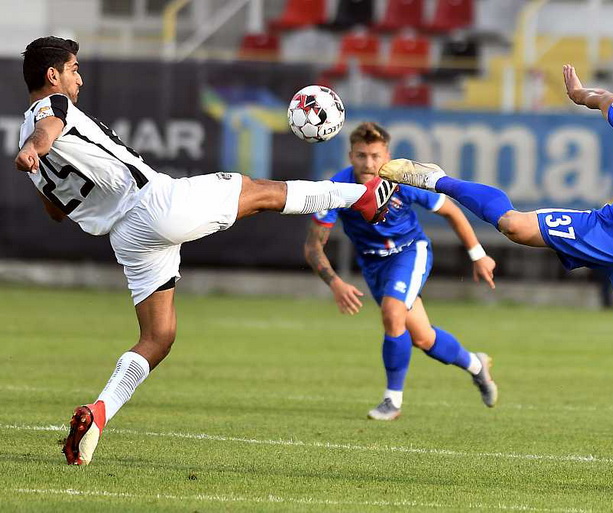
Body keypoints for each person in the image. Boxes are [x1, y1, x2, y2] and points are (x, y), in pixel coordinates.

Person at [15, 36, 398, 466]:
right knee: (258, 191)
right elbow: (46, 132)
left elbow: (55, 211)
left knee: (158, 338)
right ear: (53, 76)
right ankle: (362, 197)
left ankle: (97, 415)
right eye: (73, 69)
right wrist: (35, 148)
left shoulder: (23, 133)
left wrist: (33, 154)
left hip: (127, 237)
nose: (79, 78)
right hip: (154, 204)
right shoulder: (51, 111)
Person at [379, 55, 613, 481]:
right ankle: (436, 179)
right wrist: (580, 94)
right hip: (611, 228)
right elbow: (603, 99)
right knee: (513, 225)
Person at [304, 122, 499, 420]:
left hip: (410, 252)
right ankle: (476, 365)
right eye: (361, 155)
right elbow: (313, 247)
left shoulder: (401, 180)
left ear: (387, 155)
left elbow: (451, 211)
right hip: (373, 264)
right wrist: (336, 284)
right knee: (423, 338)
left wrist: (478, 255)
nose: (368, 163)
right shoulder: (338, 189)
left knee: (393, 314)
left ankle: (392, 402)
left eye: (375, 155)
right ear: (350, 156)